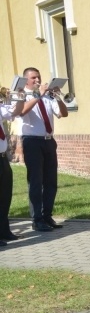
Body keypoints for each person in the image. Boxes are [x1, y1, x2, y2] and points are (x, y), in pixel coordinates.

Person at [18, 67, 68, 232]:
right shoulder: (22, 96)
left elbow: (63, 114)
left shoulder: (47, 96)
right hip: (32, 141)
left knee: (51, 181)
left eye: (38, 77)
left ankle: (47, 216)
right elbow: (22, 111)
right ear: (26, 80)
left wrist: (57, 97)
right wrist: (38, 95)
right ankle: (37, 219)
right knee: (36, 182)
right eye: (33, 78)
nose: (37, 80)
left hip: (48, 141)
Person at [0, 88, 25, 244]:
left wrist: (20, 99)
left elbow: (15, 112)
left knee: (5, 196)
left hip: (2, 158)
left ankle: (4, 231)